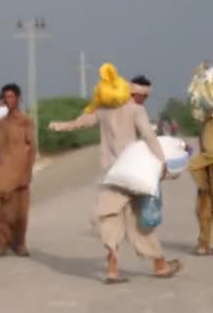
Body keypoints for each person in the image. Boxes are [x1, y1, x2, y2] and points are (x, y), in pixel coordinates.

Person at [49, 75, 182, 283]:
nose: (143, 101)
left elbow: (82, 122)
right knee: (141, 219)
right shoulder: (136, 110)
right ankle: (159, 265)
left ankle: (112, 270)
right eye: (143, 97)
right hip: (133, 172)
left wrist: (60, 125)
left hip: (111, 174)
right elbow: (148, 135)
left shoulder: (104, 109)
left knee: (110, 218)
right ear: (137, 93)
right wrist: (162, 162)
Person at [0, 84, 36, 258]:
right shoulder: (0, 123)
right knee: (0, 208)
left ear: (18, 98)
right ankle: (1, 243)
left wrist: (27, 174)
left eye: (11, 97)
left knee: (20, 212)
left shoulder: (26, 121)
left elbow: (32, 148)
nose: (8, 100)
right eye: (6, 97)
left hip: (20, 171)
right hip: (3, 172)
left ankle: (20, 243)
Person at [189, 116, 213, 255]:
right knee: (204, 201)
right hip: (206, 160)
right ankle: (203, 243)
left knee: (205, 201)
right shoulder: (207, 114)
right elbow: (202, 132)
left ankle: (203, 244)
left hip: (206, 158)